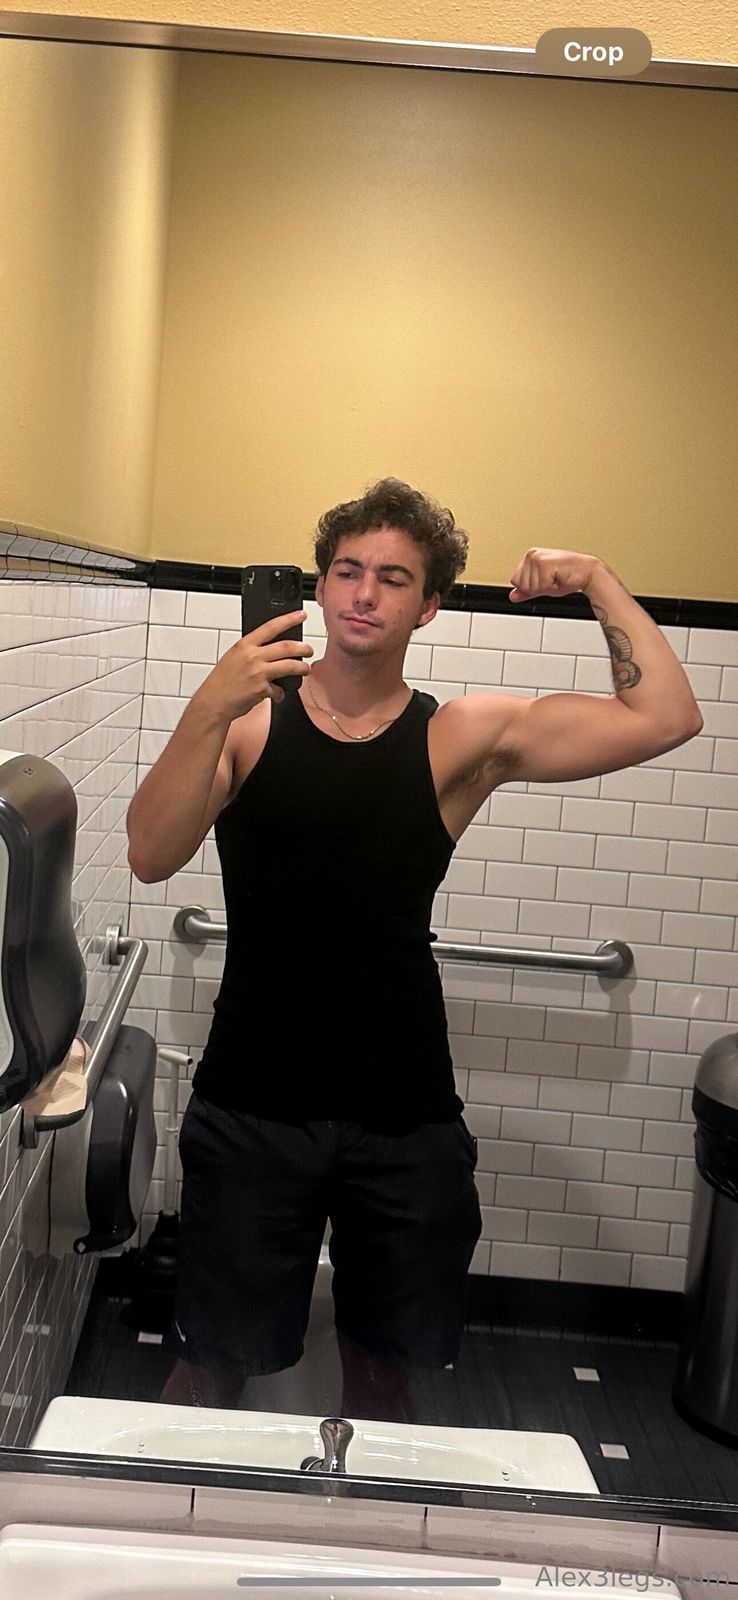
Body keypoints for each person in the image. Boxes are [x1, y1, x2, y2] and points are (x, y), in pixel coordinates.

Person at [126, 478, 703, 1420]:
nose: (364, 593)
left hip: (404, 1117)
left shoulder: (459, 737)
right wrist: (208, 704)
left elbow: (666, 719)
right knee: (212, 1368)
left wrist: (597, 578)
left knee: (385, 1376)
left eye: (393, 578)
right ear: (318, 586)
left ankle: (369, 1516)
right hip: (251, 1107)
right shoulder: (246, 721)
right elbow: (150, 856)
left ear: (428, 605)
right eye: (347, 571)